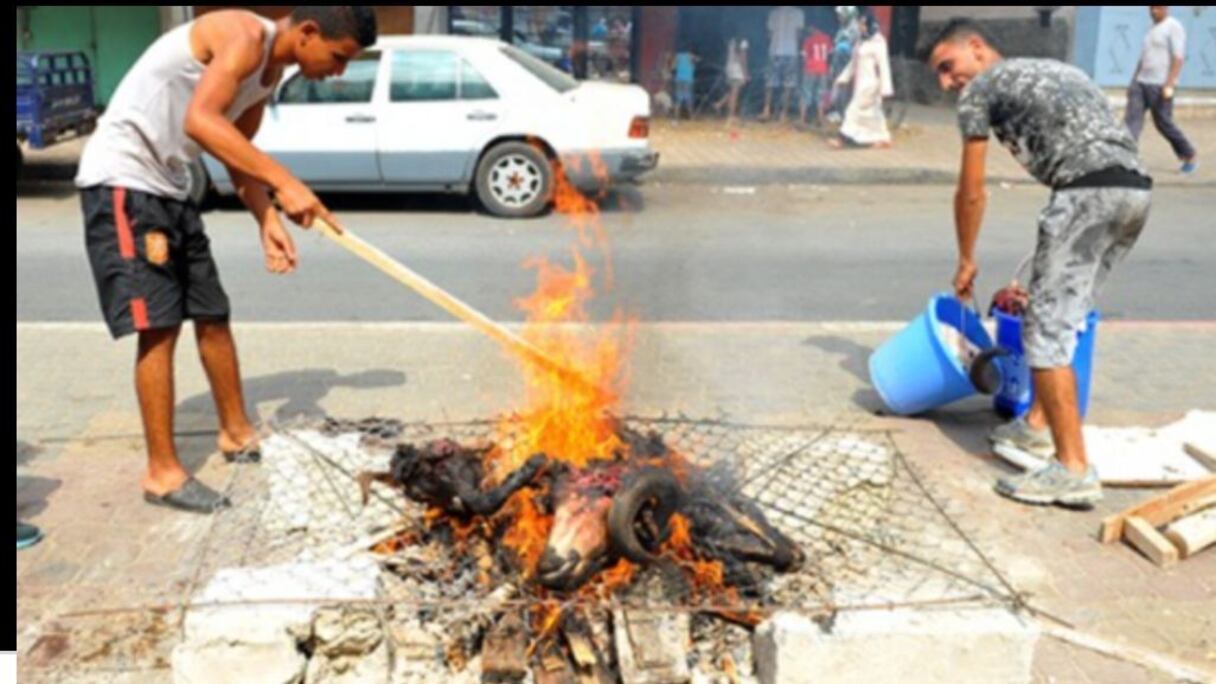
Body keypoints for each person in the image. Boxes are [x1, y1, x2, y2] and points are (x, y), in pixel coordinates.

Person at [74, 7, 377, 513]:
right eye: (339, 57)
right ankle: (162, 473)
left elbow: (235, 151)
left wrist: (267, 220)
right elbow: (202, 120)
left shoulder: (271, 73)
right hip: (124, 180)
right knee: (160, 324)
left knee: (213, 313)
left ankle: (236, 432)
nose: (339, 70)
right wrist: (287, 182)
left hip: (169, 185)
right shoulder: (240, 35)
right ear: (308, 33)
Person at [926, 20, 1152, 508]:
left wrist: (966, 258)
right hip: (1134, 192)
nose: (947, 83)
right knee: (1066, 317)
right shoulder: (1056, 69)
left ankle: (1072, 469)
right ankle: (1035, 426)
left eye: (948, 67)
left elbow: (971, 190)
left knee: (1046, 330)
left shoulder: (980, 91)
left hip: (1086, 194)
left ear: (977, 48)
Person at [1126, 6, 1198, 174]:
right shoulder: (1151, 29)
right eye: (1151, 8)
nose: (1153, 11)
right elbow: (1143, 58)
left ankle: (1189, 154)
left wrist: (1170, 83)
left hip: (1160, 85)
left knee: (1164, 123)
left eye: (1157, 8)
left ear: (1166, 8)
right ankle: (1127, 158)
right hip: (1141, 82)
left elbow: (1178, 58)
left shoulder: (1173, 27)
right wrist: (1133, 81)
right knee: (1131, 122)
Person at [830, 13, 893, 148]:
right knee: (874, 113)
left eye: (864, 24)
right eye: (860, 24)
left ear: (871, 24)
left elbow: (884, 66)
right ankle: (883, 138)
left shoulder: (878, 41)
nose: (861, 27)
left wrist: (885, 89)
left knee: (853, 110)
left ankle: (841, 139)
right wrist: (842, 78)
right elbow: (853, 63)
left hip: (870, 84)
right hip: (860, 83)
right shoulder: (860, 41)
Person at [760, 6, 805, 122]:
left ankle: (766, 110)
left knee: (770, 82)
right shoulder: (798, 13)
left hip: (774, 51)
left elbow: (769, 34)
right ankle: (783, 113)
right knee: (788, 85)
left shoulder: (773, 13)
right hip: (791, 52)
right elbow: (798, 35)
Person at [799, 23, 833, 127]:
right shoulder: (827, 38)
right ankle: (820, 118)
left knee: (806, 92)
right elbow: (830, 54)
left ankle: (802, 119)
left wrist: (802, 68)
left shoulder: (809, 40)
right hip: (823, 68)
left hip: (810, 68)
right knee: (821, 94)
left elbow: (804, 56)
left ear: (813, 27)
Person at [716, 36, 750, 124]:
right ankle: (731, 116)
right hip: (737, 70)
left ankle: (719, 104)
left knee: (733, 91)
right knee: (735, 94)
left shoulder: (732, 40)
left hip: (729, 68)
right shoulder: (743, 41)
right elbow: (742, 59)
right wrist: (745, 74)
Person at [672, 45, 699, 120]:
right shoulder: (692, 57)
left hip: (679, 79)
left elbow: (673, 67)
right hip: (688, 80)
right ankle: (691, 117)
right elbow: (696, 62)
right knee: (688, 98)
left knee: (678, 98)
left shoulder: (678, 56)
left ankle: (676, 117)